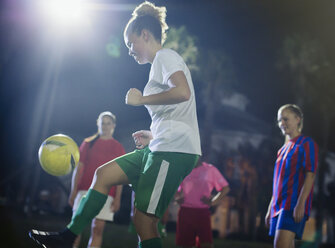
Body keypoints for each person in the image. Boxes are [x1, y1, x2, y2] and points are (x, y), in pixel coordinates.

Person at [29, 2, 201, 248]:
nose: (130, 50)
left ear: (144, 34)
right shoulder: (158, 66)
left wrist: (142, 99)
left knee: (144, 221)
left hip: (175, 152)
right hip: (159, 146)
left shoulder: (165, 56)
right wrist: (152, 135)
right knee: (103, 175)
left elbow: (183, 92)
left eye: (131, 44)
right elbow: (176, 111)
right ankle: (67, 238)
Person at [265, 104, 318, 248]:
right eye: (280, 120)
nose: (282, 123)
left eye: (286, 119)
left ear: (298, 119)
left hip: (292, 205)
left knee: (280, 245)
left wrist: (301, 203)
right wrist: (271, 208)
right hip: (278, 206)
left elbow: (310, 175)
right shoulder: (282, 150)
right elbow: (278, 181)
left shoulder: (306, 143)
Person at [69, 111, 125, 248]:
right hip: (84, 191)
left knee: (97, 229)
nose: (105, 126)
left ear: (113, 125)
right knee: (75, 228)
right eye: (102, 123)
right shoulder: (88, 143)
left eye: (108, 123)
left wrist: (117, 198)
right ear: (98, 124)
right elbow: (78, 168)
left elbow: (120, 176)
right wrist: (73, 191)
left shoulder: (118, 147)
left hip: (106, 193)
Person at [175, 160, 230, 248]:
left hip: (202, 212)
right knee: (186, 245)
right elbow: (175, 187)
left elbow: (225, 188)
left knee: (206, 244)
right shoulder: (184, 168)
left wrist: (213, 202)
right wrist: (177, 198)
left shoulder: (210, 169)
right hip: (185, 212)